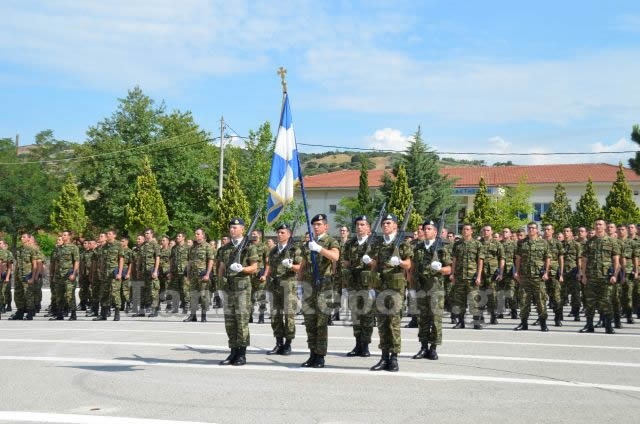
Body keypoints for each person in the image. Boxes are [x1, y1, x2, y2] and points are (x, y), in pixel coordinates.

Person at [368, 213, 412, 372]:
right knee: (382, 323)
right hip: (380, 287)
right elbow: (374, 265)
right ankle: (384, 357)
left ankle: (394, 358)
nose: (385, 225)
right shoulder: (379, 244)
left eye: (388, 223)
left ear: (395, 226)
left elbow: (408, 265)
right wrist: (371, 287)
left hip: (395, 289)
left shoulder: (403, 243)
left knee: (393, 323)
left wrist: (400, 261)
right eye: (384, 223)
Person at [298, 214, 340, 369]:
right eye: (314, 224)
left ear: (326, 226)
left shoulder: (330, 241)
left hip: (323, 287)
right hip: (309, 287)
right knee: (309, 322)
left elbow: (335, 256)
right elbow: (303, 265)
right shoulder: (308, 243)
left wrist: (320, 249)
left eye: (319, 224)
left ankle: (320, 356)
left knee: (321, 322)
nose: (316, 227)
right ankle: (312, 354)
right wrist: (299, 285)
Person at [217, 219, 258, 366]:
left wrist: (242, 269)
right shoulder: (225, 248)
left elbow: (254, 268)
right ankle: (233, 351)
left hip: (242, 290)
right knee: (230, 323)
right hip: (228, 289)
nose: (231, 230)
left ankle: (242, 353)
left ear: (242, 229)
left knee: (241, 322)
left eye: (235, 227)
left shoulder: (249, 247)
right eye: (230, 227)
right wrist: (219, 287)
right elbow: (221, 268)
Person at [411, 219, 451, 360]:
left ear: (435, 231)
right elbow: (413, 268)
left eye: (429, 229)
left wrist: (440, 268)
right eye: (424, 229)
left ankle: (433, 348)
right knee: (422, 319)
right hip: (421, 287)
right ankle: (423, 347)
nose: (426, 231)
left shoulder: (442, 247)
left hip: (435, 289)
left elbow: (449, 268)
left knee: (435, 319)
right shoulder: (418, 248)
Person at [261, 223, 302, 355]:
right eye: (278, 232)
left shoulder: (294, 249)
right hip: (274, 286)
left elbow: (300, 267)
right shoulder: (273, 251)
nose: (279, 235)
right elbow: (270, 267)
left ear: (289, 234)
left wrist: (291, 265)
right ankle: (278, 343)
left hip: (289, 286)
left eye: (282, 232)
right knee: (275, 316)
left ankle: (288, 344)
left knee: (289, 315)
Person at [341, 215, 376, 357]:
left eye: (362, 224)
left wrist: (371, 262)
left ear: (368, 227)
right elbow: (345, 261)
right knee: (355, 316)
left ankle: (366, 345)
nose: (359, 227)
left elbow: (378, 264)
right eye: (357, 225)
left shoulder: (374, 243)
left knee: (367, 316)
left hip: (368, 285)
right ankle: (357, 344)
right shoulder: (350, 243)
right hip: (353, 284)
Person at [580, 218, 620, 334]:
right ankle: (589, 325)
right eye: (596, 224)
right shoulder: (590, 242)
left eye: (600, 224)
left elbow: (616, 260)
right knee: (589, 302)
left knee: (606, 301)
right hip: (591, 277)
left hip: (606, 277)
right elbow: (584, 259)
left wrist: (614, 274)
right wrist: (583, 275)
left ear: (605, 226)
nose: (598, 226)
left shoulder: (612, 242)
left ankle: (608, 326)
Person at [513, 222, 550, 332]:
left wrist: (546, 272)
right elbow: (518, 259)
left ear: (537, 230)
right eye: (529, 228)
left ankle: (543, 323)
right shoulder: (521, 243)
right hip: (525, 276)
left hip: (538, 277)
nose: (531, 230)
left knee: (541, 300)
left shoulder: (543, 243)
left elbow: (547, 258)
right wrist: (517, 272)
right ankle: (523, 323)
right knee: (524, 300)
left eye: (533, 228)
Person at [450, 224, 484, 329]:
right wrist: (452, 274)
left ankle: (476, 322)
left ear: (471, 231)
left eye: (467, 229)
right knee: (460, 301)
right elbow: (454, 260)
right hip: (460, 277)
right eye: (464, 229)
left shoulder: (477, 244)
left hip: (472, 277)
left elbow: (480, 261)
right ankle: (461, 322)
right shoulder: (457, 244)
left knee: (474, 300)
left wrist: (478, 276)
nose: (465, 231)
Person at [186, 228, 215, 322]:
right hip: (193, 275)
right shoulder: (193, 248)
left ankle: (203, 315)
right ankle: (193, 315)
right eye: (195, 234)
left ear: (203, 235)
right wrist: (188, 274)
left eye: (198, 234)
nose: (196, 235)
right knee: (193, 295)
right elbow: (190, 261)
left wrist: (208, 274)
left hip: (203, 275)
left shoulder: (207, 247)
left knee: (204, 295)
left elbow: (211, 261)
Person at [10, 233, 41, 320]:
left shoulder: (32, 249)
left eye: (24, 237)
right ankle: (20, 311)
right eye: (21, 237)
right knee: (18, 294)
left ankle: (30, 311)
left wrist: (33, 277)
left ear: (28, 239)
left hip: (28, 275)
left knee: (28, 294)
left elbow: (35, 264)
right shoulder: (19, 250)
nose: (22, 238)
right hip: (19, 275)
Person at [94, 230, 124, 321]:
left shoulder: (118, 245)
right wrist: (100, 272)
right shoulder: (104, 246)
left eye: (109, 234)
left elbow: (121, 260)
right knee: (104, 294)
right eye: (107, 234)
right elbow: (101, 261)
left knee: (115, 293)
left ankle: (117, 313)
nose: (107, 235)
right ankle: (103, 315)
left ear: (114, 235)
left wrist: (119, 273)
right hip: (105, 274)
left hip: (114, 273)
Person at [480, 225, 504, 325]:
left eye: (488, 230)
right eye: (484, 230)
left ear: (492, 231)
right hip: (480, 273)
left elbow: (502, 258)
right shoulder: (478, 243)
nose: (486, 232)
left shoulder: (497, 244)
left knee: (492, 295)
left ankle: (493, 316)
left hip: (492, 273)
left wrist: (501, 273)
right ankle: (480, 316)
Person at [53, 230, 80, 321]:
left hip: (69, 274)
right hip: (59, 275)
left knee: (69, 295)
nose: (63, 236)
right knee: (59, 295)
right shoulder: (58, 248)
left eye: (65, 235)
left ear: (69, 237)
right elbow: (57, 262)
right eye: (62, 235)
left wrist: (74, 273)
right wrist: (54, 274)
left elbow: (76, 261)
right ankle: (60, 314)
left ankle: (73, 313)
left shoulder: (74, 247)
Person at [543, 224, 564, 326]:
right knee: (541, 297)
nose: (546, 231)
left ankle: (557, 317)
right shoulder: (540, 242)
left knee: (556, 297)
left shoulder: (557, 243)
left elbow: (561, 259)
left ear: (552, 231)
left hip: (554, 273)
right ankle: (542, 317)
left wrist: (561, 274)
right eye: (545, 229)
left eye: (548, 229)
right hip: (541, 273)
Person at [562, 227, 583, 322]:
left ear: (571, 233)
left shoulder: (576, 245)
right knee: (561, 294)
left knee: (575, 294)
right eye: (564, 231)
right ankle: (559, 314)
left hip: (573, 272)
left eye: (568, 231)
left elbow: (579, 259)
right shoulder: (560, 244)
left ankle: (576, 312)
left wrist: (580, 271)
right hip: (562, 272)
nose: (566, 233)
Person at [140, 228, 161, 317]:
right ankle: (142, 311)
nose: (146, 235)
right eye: (145, 233)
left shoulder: (155, 244)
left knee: (153, 291)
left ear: (152, 234)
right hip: (144, 271)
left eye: (148, 233)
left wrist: (156, 270)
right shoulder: (143, 245)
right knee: (143, 291)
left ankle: (155, 310)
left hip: (152, 270)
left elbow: (157, 258)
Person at [249, 229, 268, 324]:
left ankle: (261, 317)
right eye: (252, 234)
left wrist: (265, 275)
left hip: (259, 276)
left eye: (255, 234)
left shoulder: (264, 247)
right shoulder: (247, 245)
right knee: (249, 297)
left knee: (261, 297)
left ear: (259, 235)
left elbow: (268, 263)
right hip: (248, 276)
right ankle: (249, 316)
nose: (253, 235)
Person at [169, 232, 190, 314]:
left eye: (179, 236)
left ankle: (186, 306)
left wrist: (189, 271)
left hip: (184, 272)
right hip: (175, 272)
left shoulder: (188, 248)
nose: (177, 237)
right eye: (177, 236)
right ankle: (175, 307)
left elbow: (190, 260)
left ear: (183, 238)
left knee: (185, 290)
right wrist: (170, 271)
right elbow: (171, 260)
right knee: (175, 290)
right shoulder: (174, 248)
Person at [0, 240, 14, 319]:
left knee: (5, 291)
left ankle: (5, 305)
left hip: (4, 275)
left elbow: (10, 266)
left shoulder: (8, 253)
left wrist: (8, 276)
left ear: (4, 244)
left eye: (0, 243)